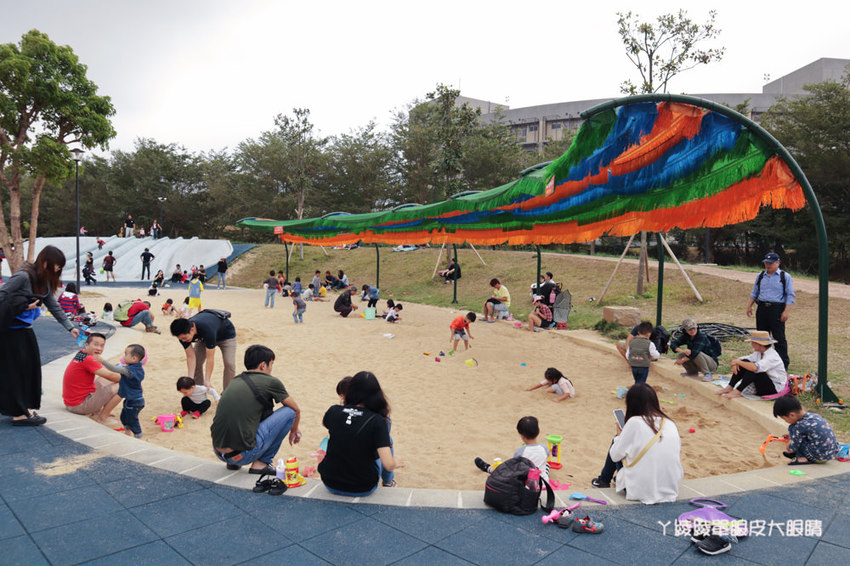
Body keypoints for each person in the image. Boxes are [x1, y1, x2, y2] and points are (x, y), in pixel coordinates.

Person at [1, 246, 81, 426]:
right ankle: (20, 413)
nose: (58, 270)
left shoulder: (43, 281)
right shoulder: (23, 276)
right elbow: (2, 296)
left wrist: (70, 327)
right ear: (45, 262)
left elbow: (53, 305)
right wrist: (23, 305)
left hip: (24, 330)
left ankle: (24, 408)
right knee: (17, 371)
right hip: (10, 332)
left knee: (29, 369)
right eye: (57, 266)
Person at [211, 345, 301, 474]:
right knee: (289, 412)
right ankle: (262, 463)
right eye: (271, 365)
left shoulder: (235, 380)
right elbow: (295, 409)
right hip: (243, 455)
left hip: (219, 452)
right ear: (263, 365)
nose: (271, 369)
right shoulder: (271, 381)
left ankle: (232, 463)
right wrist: (294, 430)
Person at [591, 383, 683, 504]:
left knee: (617, 442)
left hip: (642, 490)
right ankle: (607, 480)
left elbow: (615, 456)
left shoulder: (635, 422)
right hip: (670, 488)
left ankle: (603, 480)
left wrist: (619, 436)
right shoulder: (670, 423)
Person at [318, 371, 403, 495]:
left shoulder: (333, 410)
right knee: (387, 442)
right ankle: (388, 482)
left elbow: (329, 425)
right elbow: (388, 464)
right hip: (362, 487)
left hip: (330, 483)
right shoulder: (378, 421)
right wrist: (396, 462)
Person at [747, 252, 795, 369]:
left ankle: (782, 364)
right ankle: (762, 361)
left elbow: (790, 295)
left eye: (771, 263)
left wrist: (786, 311)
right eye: (766, 263)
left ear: (778, 263)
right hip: (762, 307)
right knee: (762, 337)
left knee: (779, 338)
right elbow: (754, 292)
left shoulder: (785, 277)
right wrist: (749, 306)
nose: (768, 265)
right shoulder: (761, 276)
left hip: (777, 308)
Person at [62, 332, 122, 426]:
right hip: (79, 406)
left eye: (102, 346)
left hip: (71, 402)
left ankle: (97, 411)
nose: (99, 348)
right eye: (96, 344)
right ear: (86, 345)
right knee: (124, 386)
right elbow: (111, 376)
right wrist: (128, 378)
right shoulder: (89, 359)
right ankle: (103, 418)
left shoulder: (82, 354)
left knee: (104, 380)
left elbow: (106, 374)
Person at [170, 310, 237, 390]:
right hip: (204, 338)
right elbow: (191, 357)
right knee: (197, 362)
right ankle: (199, 390)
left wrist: (207, 380)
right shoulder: (182, 336)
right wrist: (190, 379)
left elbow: (210, 358)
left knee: (229, 363)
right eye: (181, 339)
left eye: (184, 338)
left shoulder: (207, 328)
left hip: (226, 336)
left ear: (191, 329)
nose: (183, 341)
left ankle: (227, 392)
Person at [474, 416, 550, 480]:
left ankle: (488, 468)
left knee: (504, 471)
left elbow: (515, 467)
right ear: (538, 432)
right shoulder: (544, 448)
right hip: (543, 484)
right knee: (545, 466)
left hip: (526, 485)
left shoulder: (520, 451)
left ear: (522, 436)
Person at [716, 331, 787, 399]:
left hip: (773, 388)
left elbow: (755, 367)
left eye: (753, 342)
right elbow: (744, 359)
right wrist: (736, 362)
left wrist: (738, 362)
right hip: (762, 384)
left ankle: (738, 391)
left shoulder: (772, 356)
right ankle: (730, 386)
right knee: (746, 362)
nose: (751, 344)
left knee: (753, 368)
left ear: (759, 344)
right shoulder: (759, 352)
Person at [773, 395, 838, 465]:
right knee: (797, 433)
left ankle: (801, 458)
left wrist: (789, 444)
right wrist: (793, 436)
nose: (785, 421)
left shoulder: (799, 426)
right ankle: (801, 454)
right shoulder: (814, 416)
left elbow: (792, 447)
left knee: (792, 428)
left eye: (784, 419)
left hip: (819, 458)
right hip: (831, 453)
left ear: (792, 415)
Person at [100, 344, 146, 438]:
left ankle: (138, 435)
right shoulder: (136, 368)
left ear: (134, 358)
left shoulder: (130, 370)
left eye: (125, 354)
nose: (123, 356)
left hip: (135, 401)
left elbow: (115, 369)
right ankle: (128, 432)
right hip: (131, 400)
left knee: (132, 419)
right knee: (124, 417)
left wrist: (102, 361)